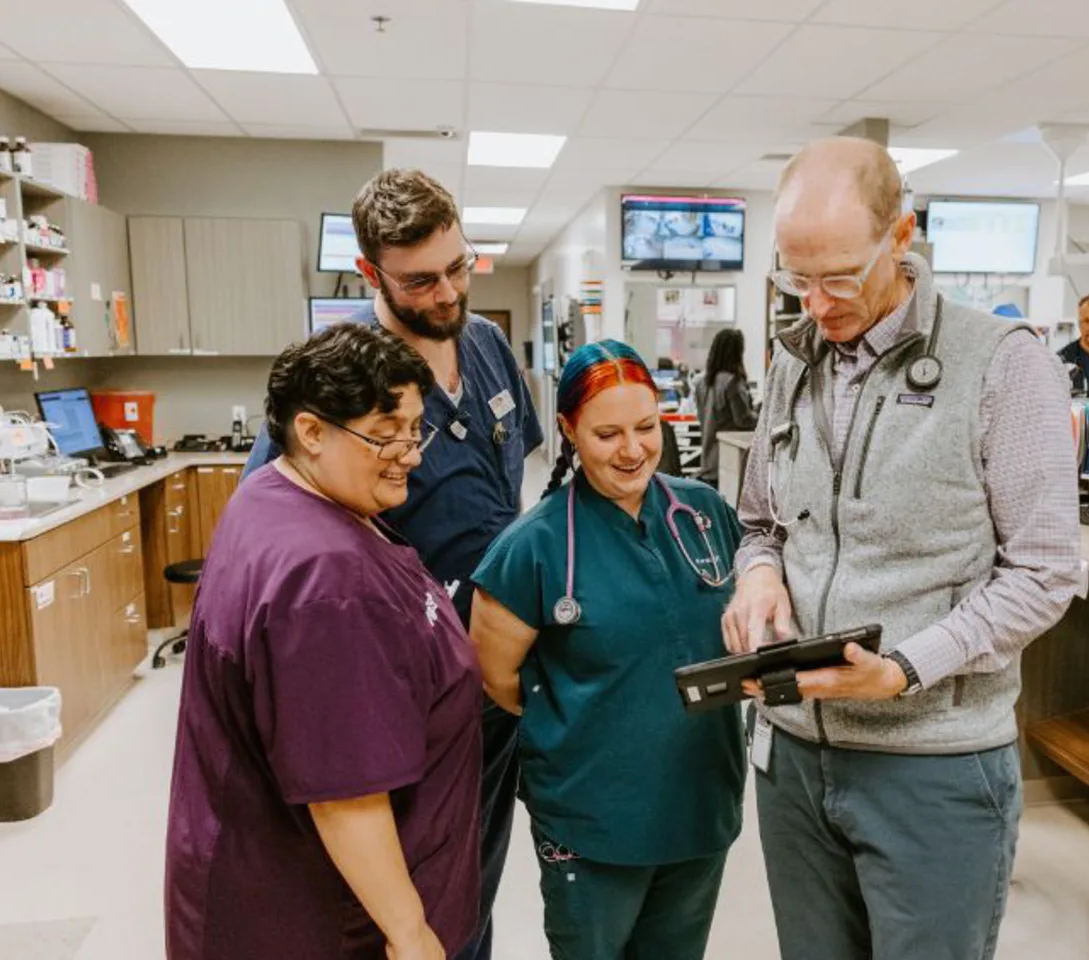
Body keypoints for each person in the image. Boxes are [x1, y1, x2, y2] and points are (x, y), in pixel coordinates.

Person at [722, 137, 1082, 959]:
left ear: (902, 235)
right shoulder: (792, 362)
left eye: (839, 276)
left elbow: (1046, 571)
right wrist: (759, 579)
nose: (815, 303)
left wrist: (907, 668)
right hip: (795, 753)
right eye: (795, 278)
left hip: (933, 766)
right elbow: (760, 525)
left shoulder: (1002, 364)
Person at [240, 168, 543, 960]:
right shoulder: (342, 380)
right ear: (370, 273)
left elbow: (517, 493)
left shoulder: (484, 348)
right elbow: (277, 528)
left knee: (471, 883)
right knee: (400, 904)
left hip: (494, 677)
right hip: (398, 692)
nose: (446, 294)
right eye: (419, 281)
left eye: (457, 267)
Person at [166, 324, 479, 960]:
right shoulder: (326, 583)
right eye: (385, 435)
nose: (411, 455)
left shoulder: (273, 493)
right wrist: (410, 932)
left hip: (262, 877)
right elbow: (347, 796)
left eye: (416, 431)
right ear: (311, 432)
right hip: (324, 919)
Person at [471, 340, 746, 960]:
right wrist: (585, 729)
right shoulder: (534, 547)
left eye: (646, 427)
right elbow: (495, 677)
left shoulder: (704, 515)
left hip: (700, 801)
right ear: (568, 430)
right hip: (590, 817)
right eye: (607, 433)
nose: (632, 450)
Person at [695, 328, 758, 488]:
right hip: (728, 460)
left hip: (708, 460)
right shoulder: (732, 382)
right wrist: (764, 417)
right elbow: (743, 420)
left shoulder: (702, 383)